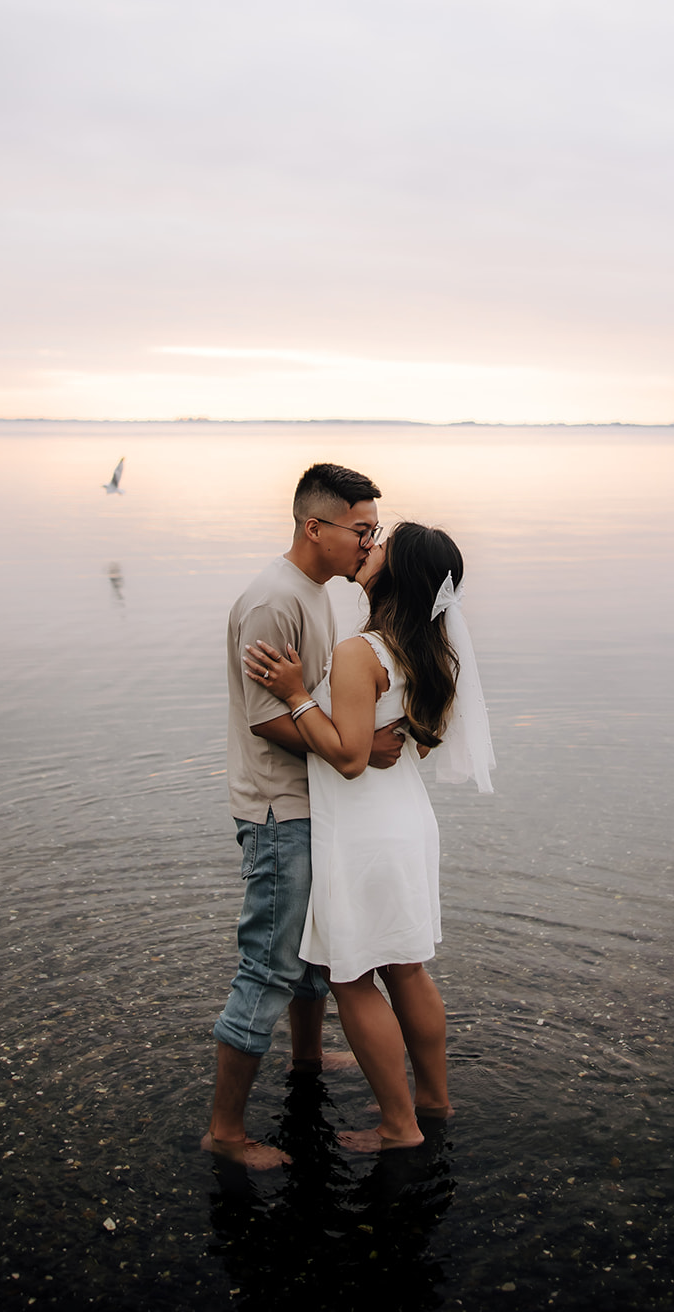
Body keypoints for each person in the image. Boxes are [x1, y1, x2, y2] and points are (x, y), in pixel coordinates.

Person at [244, 521, 494, 1153]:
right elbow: (417, 737)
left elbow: (349, 757)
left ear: (395, 570)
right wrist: (375, 733)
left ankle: (398, 1127)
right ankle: (433, 1101)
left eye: (380, 544)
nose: (368, 548)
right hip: (404, 822)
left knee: (352, 976)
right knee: (407, 969)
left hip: (361, 829)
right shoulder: (428, 650)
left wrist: (298, 694)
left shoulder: (362, 652)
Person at [203, 463, 406, 1170]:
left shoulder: (317, 593)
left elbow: (310, 698)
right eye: (360, 530)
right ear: (313, 527)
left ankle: (306, 1054)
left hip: (312, 803)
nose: (367, 542)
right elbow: (268, 720)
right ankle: (225, 1132)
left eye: (373, 531)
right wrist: (355, 748)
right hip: (277, 808)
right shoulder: (272, 603)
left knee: (312, 955)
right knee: (266, 965)